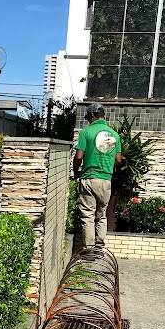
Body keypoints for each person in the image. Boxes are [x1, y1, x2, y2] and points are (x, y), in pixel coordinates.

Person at [73, 103, 122, 250]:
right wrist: (107, 168)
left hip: (89, 178)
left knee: (87, 215)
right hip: (106, 180)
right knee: (101, 215)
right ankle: (99, 248)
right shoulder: (114, 135)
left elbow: (78, 156)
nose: (88, 120)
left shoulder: (86, 132)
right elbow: (118, 160)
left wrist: (76, 172)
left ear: (92, 115)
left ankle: (88, 250)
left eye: (88, 117)